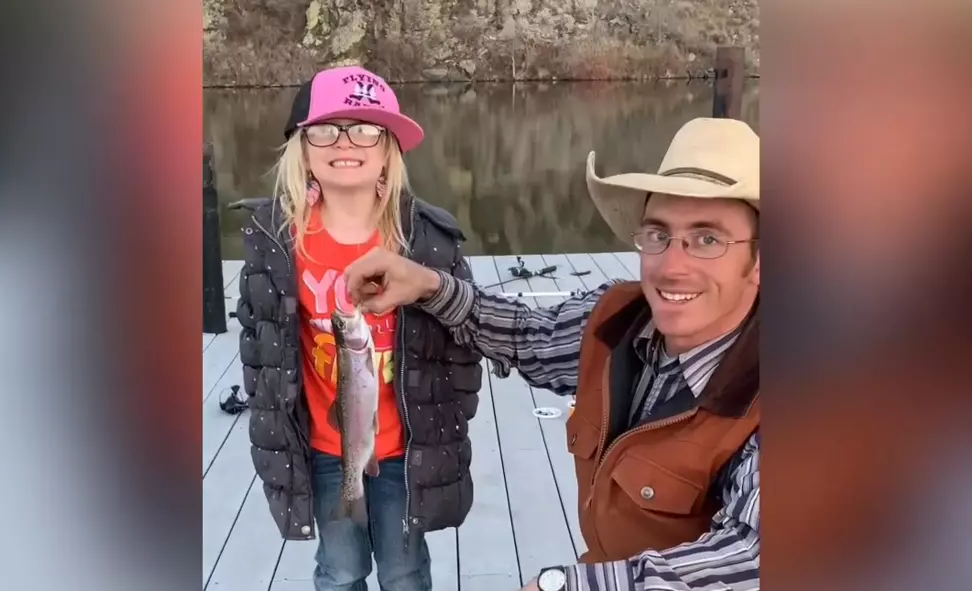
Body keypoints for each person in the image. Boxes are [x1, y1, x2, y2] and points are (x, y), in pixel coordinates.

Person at [343, 118, 761, 591]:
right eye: (658, 235)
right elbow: (528, 336)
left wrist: (572, 586)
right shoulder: (617, 320)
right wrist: (428, 285)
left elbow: (752, 559)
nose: (672, 266)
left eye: (708, 239)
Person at [235, 65, 483, 591]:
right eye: (325, 129)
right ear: (301, 149)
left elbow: (462, 339)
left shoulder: (426, 238)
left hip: (405, 448)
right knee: (340, 568)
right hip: (325, 446)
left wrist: (451, 424)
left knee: (404, 571)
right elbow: (261, 349)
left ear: (388, 148)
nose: (344, 142)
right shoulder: (278, 240)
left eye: (365, 129)